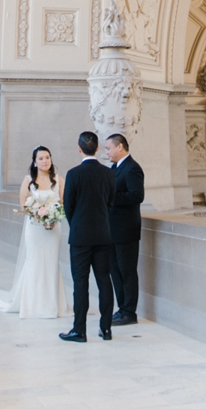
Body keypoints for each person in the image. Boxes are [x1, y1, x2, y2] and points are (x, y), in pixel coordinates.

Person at [0, 146, 72, 318]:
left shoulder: (59, 179)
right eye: (41, 158)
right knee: (34, 261)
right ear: (35, 162)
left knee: (51, 263)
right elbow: (23, 205)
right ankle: (32, 304)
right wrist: (40, 217)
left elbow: (63, 204)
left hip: (53, 229)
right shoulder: (28, 180)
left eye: (47, 158)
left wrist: (52, 219)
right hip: (34, 228)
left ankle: (52, 305)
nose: (45, 161)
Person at [60, 131, 115, 342]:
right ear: (98, 148)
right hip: (103, 234)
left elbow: (68, 205)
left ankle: (79, 330)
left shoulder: (73, 174)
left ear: (79, 149)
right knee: (104, 281)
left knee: (80, 284)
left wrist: (76, 224)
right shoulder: (109, 173)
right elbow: (110, 202)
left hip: (80, 236)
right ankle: (106, 328)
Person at [104, 134, 144, 326]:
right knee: (115, 270)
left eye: (109, 148)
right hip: (113, 229)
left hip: (126, 229)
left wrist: (111, 198)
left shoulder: (133, 168)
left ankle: (129, 312)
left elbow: (137, 195)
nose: (107, 152)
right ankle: (121, 308)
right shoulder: (115, 168)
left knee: (127, 270)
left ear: (120, 147)